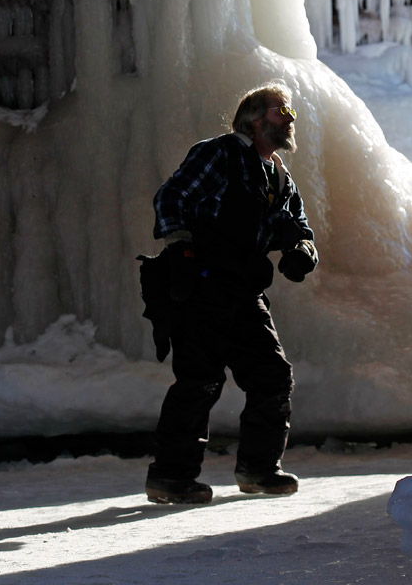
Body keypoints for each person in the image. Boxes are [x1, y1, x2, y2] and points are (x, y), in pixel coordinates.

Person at [144, 81, 318, 505]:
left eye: (291, 112)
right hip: (202, 285)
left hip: (244, 291)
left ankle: (259, 469)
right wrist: (182, 250)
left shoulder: (280, 176)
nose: (290, 119)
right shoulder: (219, 153)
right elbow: (172, 197)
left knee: (272, 376)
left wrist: (302, 251)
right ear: (253, 119)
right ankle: (170, 478)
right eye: (281, 111)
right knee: (200, 379)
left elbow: (300, 226)